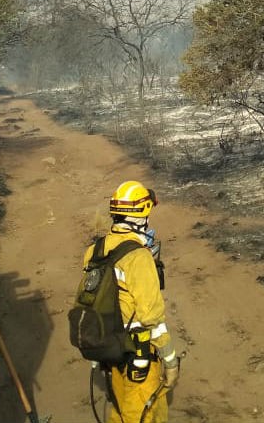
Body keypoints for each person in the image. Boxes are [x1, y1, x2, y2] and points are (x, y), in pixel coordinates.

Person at [85, 180, 179, 423]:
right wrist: (170, 361)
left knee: (120, 407)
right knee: (144, 415)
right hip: (139, 355)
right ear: (143, 213)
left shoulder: (96, 250)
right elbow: (151, 317)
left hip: (109, 348)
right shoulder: (138, 257)